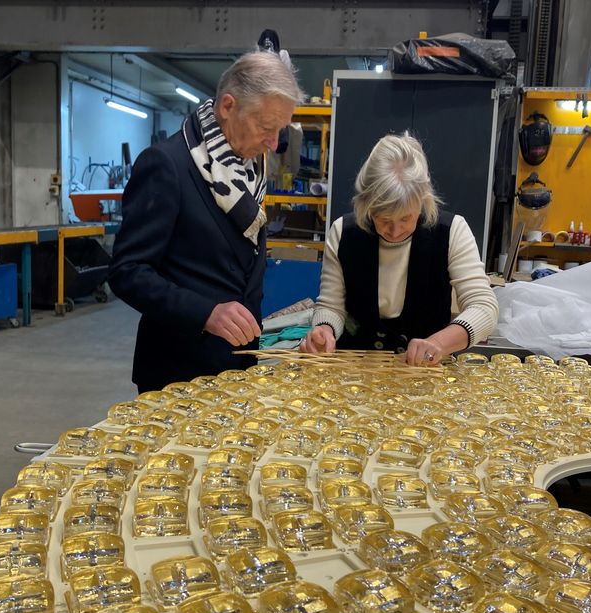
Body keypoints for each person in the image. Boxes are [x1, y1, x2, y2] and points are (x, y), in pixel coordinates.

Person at [109, 50, 301, 392]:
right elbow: (128, 272)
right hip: (177, 372)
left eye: (280, 131)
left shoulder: (247, 171)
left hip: (238, 366)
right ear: (227, 107)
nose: (273, 143)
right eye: (266, 128)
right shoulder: (167, 165)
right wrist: (205, 313)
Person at [299, 133, 499, 365]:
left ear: (423, 200)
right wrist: (324, 330)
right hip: (356, 376)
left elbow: (484, 307)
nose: (394, 231)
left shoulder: (452, 231)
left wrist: (439, 343)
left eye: (406, 218)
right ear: (366, 205)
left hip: (423, 373)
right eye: (383, 219)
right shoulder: (343, 232)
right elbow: (331, 306)